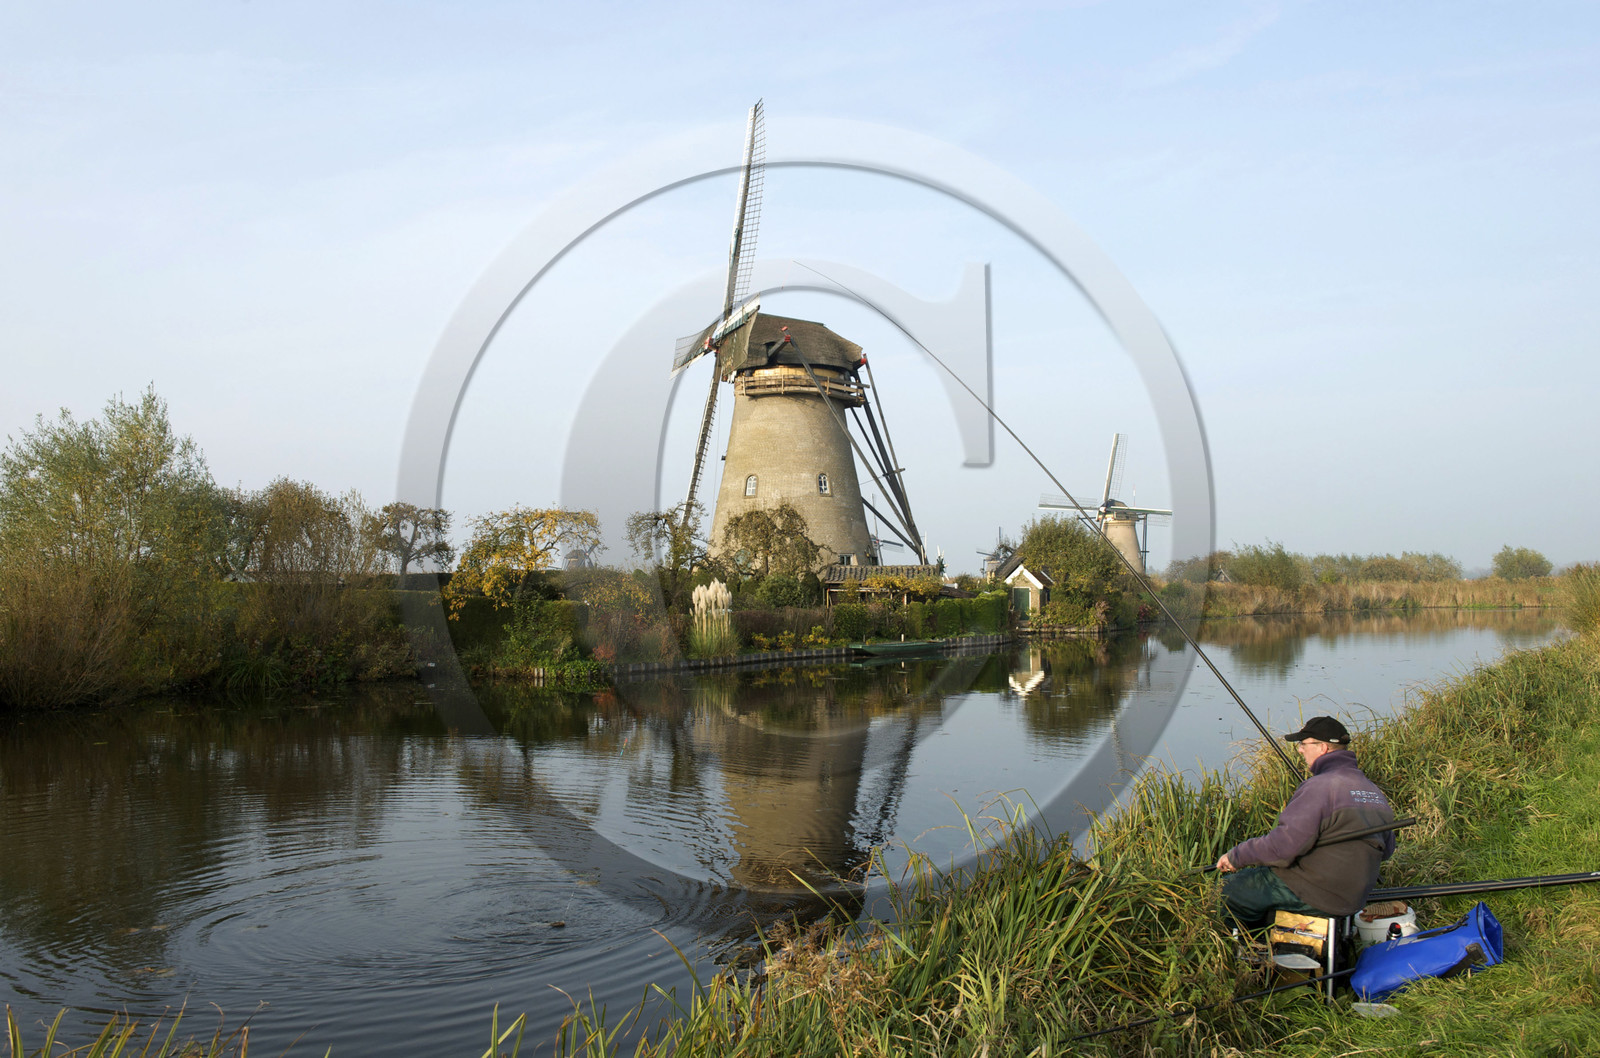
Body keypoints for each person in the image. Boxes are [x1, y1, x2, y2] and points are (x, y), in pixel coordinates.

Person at [1215, 716, 1396, 931]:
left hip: (1316, 893)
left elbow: (1282, 848)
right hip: (1354, 898)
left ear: (1323, 748)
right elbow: (1387, 851)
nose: (1300, 750)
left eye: (1303, 744)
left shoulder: (1320, 787)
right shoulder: (1373, 792)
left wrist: (1236, 855)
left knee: (1229, 890)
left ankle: (1236, 952)